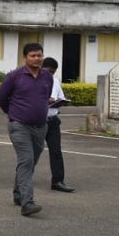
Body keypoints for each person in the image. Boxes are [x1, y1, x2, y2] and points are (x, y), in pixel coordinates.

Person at [0, 43, 54, 216]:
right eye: (33, 56)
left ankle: (18, 194)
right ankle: (27, 203)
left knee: (30, 163)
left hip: (41, 127)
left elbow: (45, 97)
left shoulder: (47, 77)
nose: (37, 59)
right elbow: (1, 98)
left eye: (39, 55)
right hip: (19, 126)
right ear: (25, 58)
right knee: (27, 160)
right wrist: (14, 113)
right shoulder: (14, 77)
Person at [42, 56, 75, 193]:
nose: (50, 75)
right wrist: (46, 100)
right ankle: (23, 181)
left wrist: (62, 101)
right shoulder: (35, 81)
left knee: (56, 151)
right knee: (31, 153)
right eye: (48, 71)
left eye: (53, 72)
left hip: (53, 120)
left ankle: (58, 180)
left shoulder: (55, 82)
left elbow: (60, 97)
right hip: (38, 121)